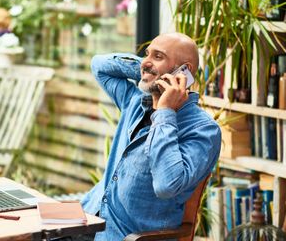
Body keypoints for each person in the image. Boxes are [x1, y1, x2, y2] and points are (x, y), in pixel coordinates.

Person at [80, 32, 222, 241]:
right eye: (147, 54)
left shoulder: (204, 131)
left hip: (124, 237)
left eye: (158, 56)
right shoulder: (135, 101)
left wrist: (165, 112)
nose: (146, 61)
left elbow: (167, 185)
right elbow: (99, 66)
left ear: (185, 70)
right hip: (86, 221)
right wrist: (149, 70)